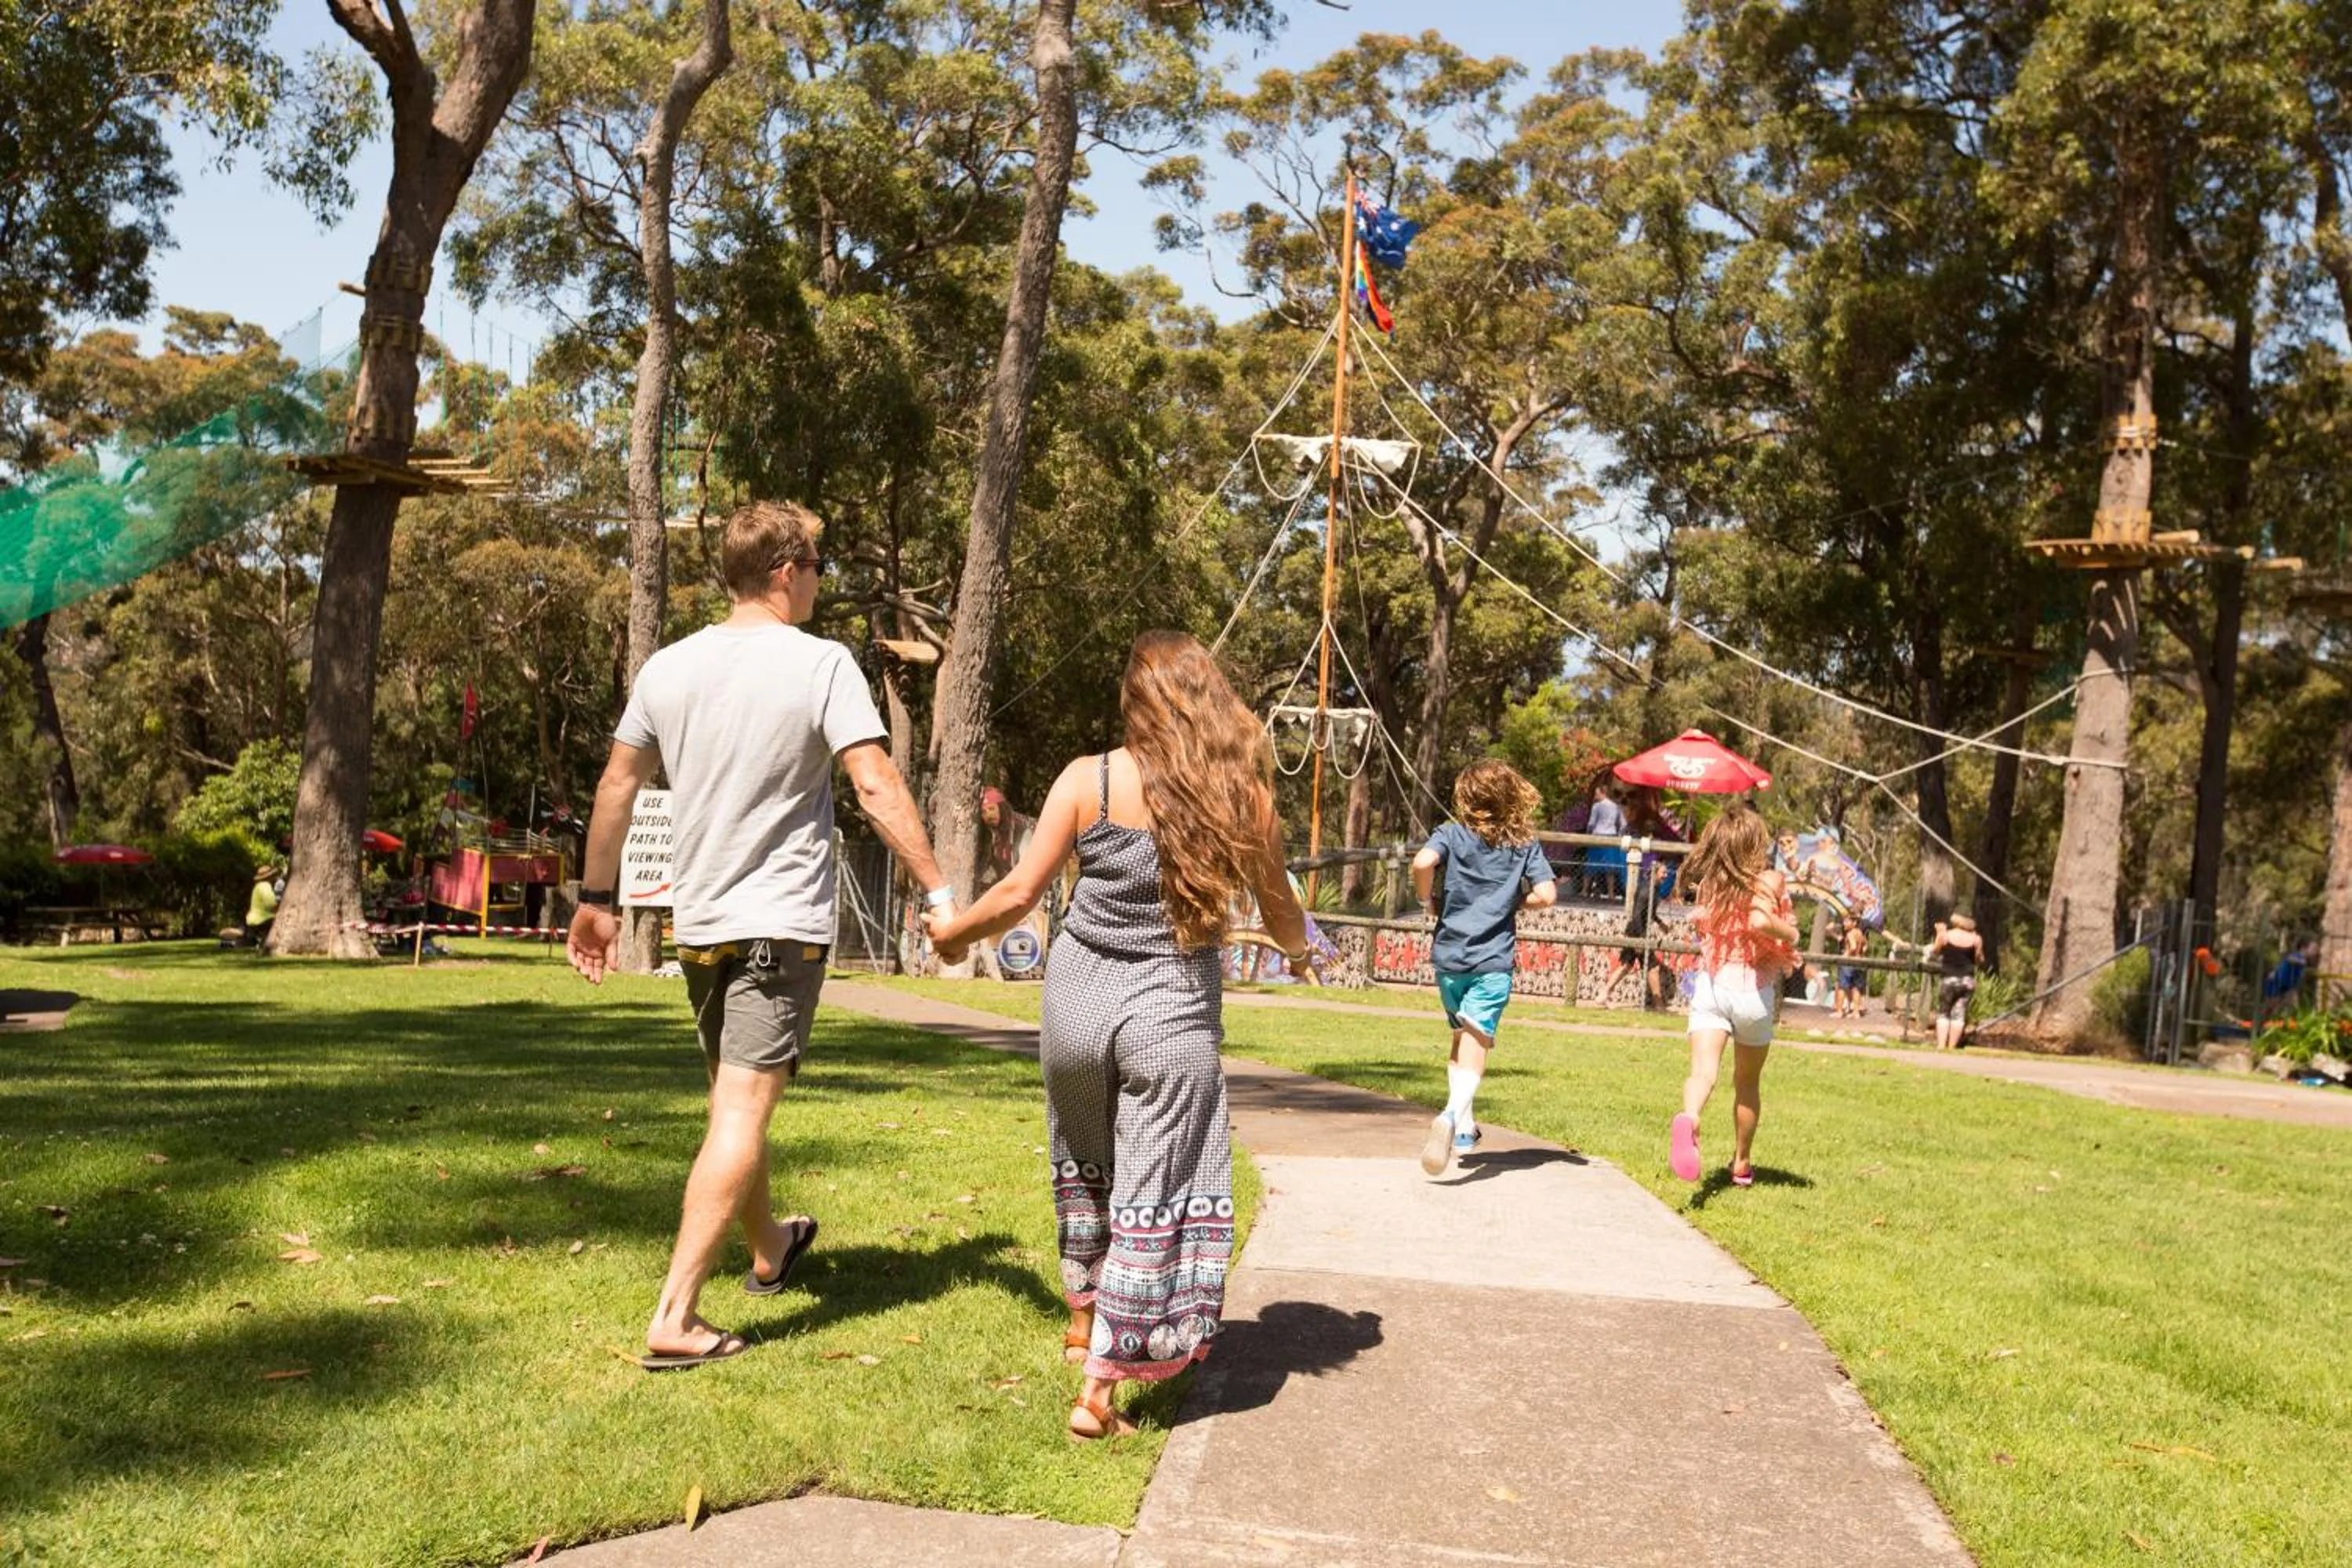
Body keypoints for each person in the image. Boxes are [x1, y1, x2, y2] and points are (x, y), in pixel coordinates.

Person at [567, 500, 956, 1372]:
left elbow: (617, 785)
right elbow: (877, 783)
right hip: (779, 921)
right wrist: (939, 887)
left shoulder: (668, 666)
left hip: (698, 923)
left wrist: (594, 897)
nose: (820, 580)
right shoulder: (821, 664)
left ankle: (772, 1245)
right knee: (742, 1108)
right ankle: (675, 1311)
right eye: (816, 566)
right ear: (786, 571)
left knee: (731, 1100)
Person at [923, 630, 1308, 1443]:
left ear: (1136, 701)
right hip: (1169, 1018)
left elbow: (1023, 890)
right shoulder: (1243, 796)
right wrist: (1304, 951)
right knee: (1155, 1193)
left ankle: (1082, 1317)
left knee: (1087, 1160)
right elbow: (1280, 911)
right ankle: (1100, 1387)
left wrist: (955, 934)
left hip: (1076, 1012)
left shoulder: (1088, 777)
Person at [1411, 760, 1559, 1177]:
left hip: (1448, 958)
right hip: (1492, 961)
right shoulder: (1524, 844)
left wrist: (1427, 901)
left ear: (1466, 798)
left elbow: (1423, 864)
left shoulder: (1450, 834)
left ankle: (1464, 1128)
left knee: (1460, 1039)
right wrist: (1515, 902)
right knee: (1477, 1045)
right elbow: (1547, 895)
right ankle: (1449, 1116)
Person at [1668, 803, 1800, 1187]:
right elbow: (1760, 920)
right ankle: (1741, 1163)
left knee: (1702, 1073)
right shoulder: (1768, 880)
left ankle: (1690, 1117)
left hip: (1712, 986)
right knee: (1746, 1084)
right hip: (1752, 994)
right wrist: (1791, 935)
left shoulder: (1713, 884)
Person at [1926, 913, 1984, 1049]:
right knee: (1959, 1013)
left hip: (1948, 978)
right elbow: (1978, 960)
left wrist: (1939, 933)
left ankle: (1941, 1046)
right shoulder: (1976, 939)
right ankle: (1952, 1047)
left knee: (1944, 1012)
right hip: (1966, 980)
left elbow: (1935, 952)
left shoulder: (1945, 936)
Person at [1584, 781, 1628, 898]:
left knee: (1592, 863)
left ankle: (1585, 890)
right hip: (1611, 837)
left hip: (1597, 836)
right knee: (1610, 865)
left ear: (1603, 793)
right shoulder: (1616, 806)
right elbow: (1623, 824)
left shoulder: (1597, 806)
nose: (1595, 796)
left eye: (1597, 793)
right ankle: (1611, 893)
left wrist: (1588, 833)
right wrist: (1619, 835)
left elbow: (1592, 823)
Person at [1835, 918, 1869, 1019]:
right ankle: (1855, 1012)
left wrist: (1846, 955)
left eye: (1847, 921)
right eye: (1844, 921)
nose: (1844, 923)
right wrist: (1860, 954)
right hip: (1859, 962)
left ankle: (1840, 1011)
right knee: (1856, 988)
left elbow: (1853, 947)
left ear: (1854, 923)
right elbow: (1866, 946)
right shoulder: (1860, 933)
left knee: (1842, 987)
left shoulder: (1850, 934)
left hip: (1849, 963)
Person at [244, 865, 281, 950]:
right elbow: (271, 904)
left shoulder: (258, 886)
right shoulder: (265, 886)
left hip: (252, 919)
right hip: (262, 919)